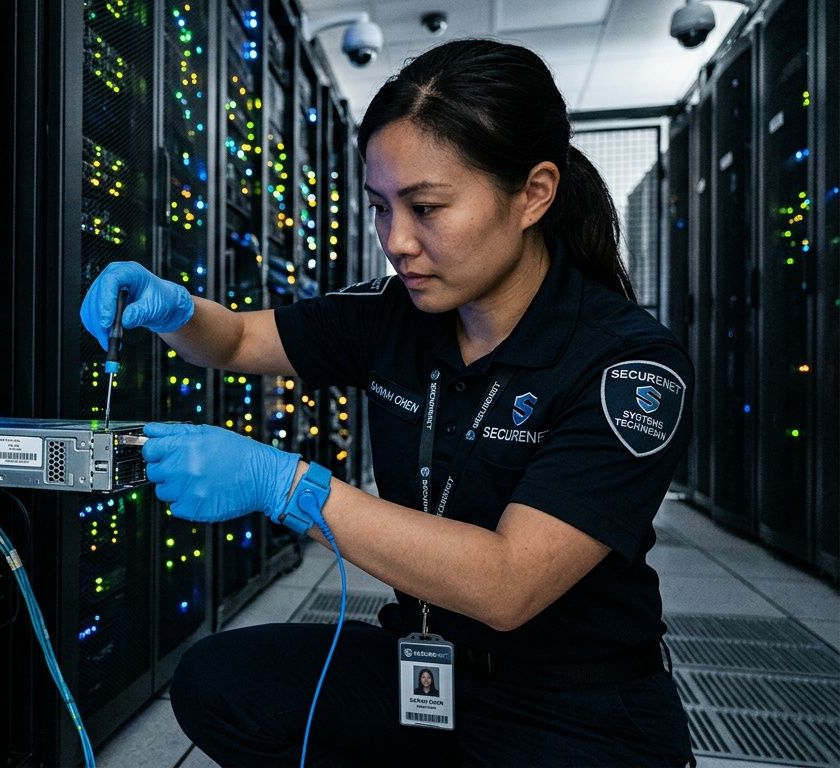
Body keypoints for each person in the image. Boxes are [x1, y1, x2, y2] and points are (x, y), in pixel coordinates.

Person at [81, 39, 695, 768]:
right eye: (380, 208)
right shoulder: (394, 314)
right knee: (218, 685)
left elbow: (508, 584)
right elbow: (240, 341)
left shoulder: (628, 365)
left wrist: (289, 489)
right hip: (425, 671)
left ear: (533, 193)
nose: (396, 242)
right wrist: (173, 310)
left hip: (573, 706)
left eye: (426, 207)